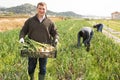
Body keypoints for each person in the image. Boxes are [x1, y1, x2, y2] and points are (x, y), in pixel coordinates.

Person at [19, 2, 59, 80]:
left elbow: (55, 33)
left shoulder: (50, 22)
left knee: (43, 68)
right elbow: (23, 31)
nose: (41, 10)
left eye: (43, 9)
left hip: (44, 48)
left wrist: (56, 38)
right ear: (37, 9)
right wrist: (21, 38)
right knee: (31, 67)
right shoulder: (30, 21)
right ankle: (31, 78)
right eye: (40, 8)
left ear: (46, 10)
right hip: (32, 48)